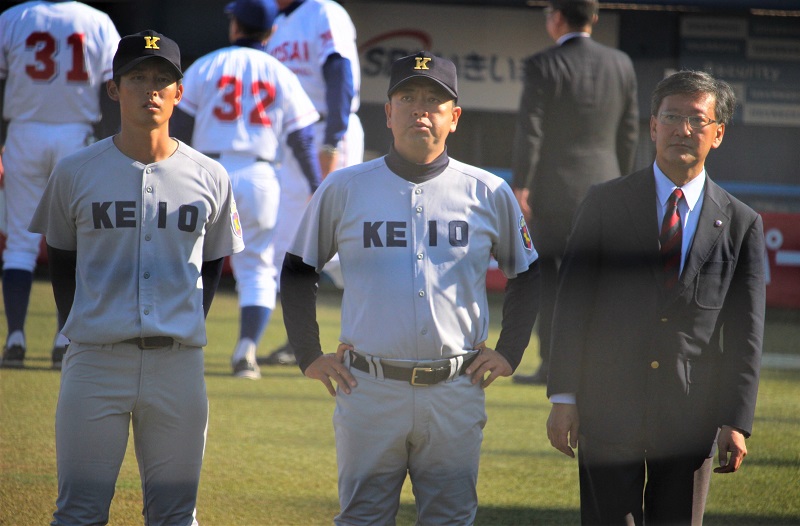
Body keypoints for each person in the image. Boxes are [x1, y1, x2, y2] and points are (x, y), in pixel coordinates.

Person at [280, 51, 540, 525]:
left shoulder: (487, 191)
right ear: (388, 111)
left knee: (449, 518)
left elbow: (527, 272)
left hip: (455, 387)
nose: (421, 109)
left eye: (434, 101)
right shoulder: (344, 187)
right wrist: (307, 353)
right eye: (408, 97)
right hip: (369, 386)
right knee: (362, 518)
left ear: (454, 117)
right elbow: (298, 269)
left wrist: (511, 352)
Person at [29, 30, 244, 524]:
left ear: (179, 93)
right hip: (95, 362)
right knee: (79, 511)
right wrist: (87, 324)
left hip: (178, 366)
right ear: (114, 89)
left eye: (162, 79)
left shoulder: (211, 175)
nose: (151, 89)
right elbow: (61, 258)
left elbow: (213, 266)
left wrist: (180, 325)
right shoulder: (76, 170)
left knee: (174, 513)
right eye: (138, 78)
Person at [545, 70, 765, 524]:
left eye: (697, 120)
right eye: (671, 117)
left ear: (718, 133)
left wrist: (736, 419)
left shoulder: (742, 224)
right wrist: (563, 397)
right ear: (652, 126)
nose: (683, 129)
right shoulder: (604, 203)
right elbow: (572, 304)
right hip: (607, 410)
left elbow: (746, 333)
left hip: (691, 418)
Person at [172, 0, 321, 379]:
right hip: (260, 175)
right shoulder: (281, 72)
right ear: (271, 32)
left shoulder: (207, 64)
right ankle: (246, 353)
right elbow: (302, 139)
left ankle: (182, 346)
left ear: (235, 26)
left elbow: (180, 126)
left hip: (207, 171)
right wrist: (317, 184)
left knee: (190, 261)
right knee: (257, 267)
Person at [510, 0, 639, 385]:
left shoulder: (542, 64)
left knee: (550, 281)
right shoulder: (622, 64)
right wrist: (625, 183)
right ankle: (601, 364)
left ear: (557, 18)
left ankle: (552, 366)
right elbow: (630, 131)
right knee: (599, 280)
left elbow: (530, 130)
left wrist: (521, 185)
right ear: (594, 19)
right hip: (606, 185)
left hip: (553, 190)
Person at [0, 0, 120, 369]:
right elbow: (113, 90)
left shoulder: (14, 17)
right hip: (76, 135)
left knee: (19, 242)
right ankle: (63, 339)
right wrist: (111, 142)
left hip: (23, 131)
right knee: (76, 242)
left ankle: (15, 337)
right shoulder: (97, 21)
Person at [261, 0, 364, 366]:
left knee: (344, 242)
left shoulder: (323, 11)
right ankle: (298, 341)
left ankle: (381, 331)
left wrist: (332, 140)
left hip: (326, 132)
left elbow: (341, 71)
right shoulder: (279, 24)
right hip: (295, 141)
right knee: (291, 246)